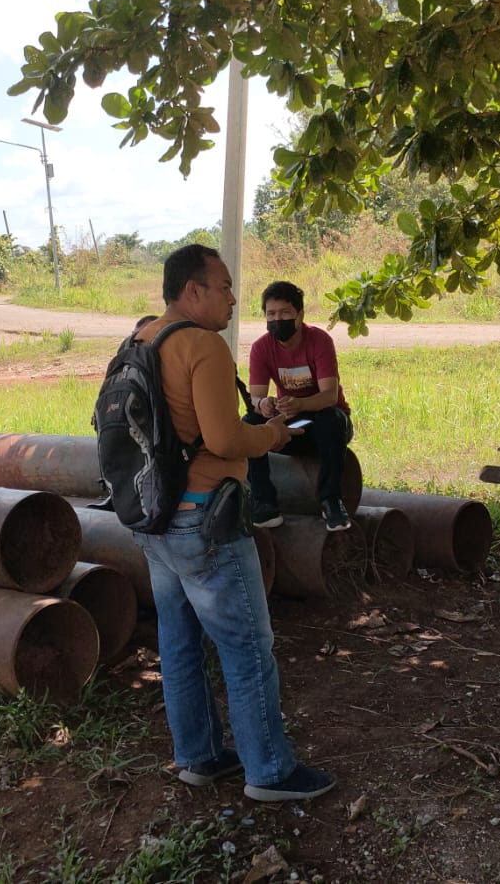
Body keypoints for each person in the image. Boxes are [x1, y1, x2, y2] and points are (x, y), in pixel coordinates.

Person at [132, 243, 335, 802]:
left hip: (154, 519)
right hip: (204, 517)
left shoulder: (140, 340)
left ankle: (198, 756)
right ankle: (269, 771)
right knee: (246, 645)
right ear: (193, 290)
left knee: (177, 642)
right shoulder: (204, 346)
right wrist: (272, 436)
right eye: (223, 287)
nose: (232, 298)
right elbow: (224, 439)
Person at [244, 280, 355, 531]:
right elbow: (255, 399)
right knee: (249, 423)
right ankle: (263, 503)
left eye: (284, 313)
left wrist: (301, 403)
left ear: (300, 315)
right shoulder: (261, 348)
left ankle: (331, 501)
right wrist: (264, 405)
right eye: (271, 314)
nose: (277, 319)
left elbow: (329, 395)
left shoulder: (319, 341)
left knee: (331, 418)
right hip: (292, 426)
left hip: (325, 426)